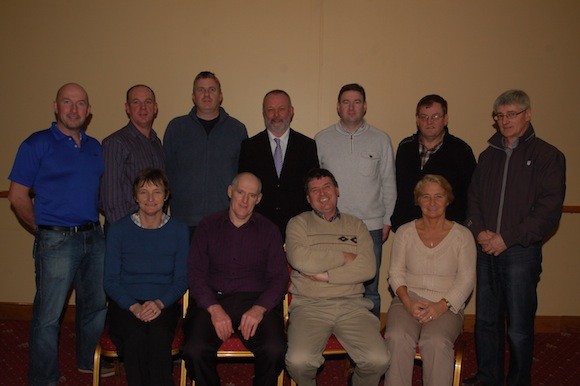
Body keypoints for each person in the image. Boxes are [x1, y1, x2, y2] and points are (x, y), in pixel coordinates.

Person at [7, 83, 110, 384]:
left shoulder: (95, 147)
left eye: (81, 103)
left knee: (94, 307)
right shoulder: (36, 143)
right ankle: (44, 378)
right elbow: (16, 196)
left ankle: (86, 361)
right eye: (67, 102)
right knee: (49, 316)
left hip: (94, 236)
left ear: (89, 110)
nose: (74, 109)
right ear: (56, 106)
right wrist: (41, 229)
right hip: (56, 241)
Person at [463, 90, 566, 386]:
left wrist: (506, 238)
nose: (505, 121)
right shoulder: (487, 156)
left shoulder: (548, 156)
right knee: (485, 322)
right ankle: (488, 377)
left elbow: (548, 211)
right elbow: (474, 201)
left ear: (528, 114)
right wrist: (480, 232)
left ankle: (519, 380)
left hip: (521, 252)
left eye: (512, 114)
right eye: (500, 115)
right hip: (485, 251)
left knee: (519, 327)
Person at [285, 168, 390, 386]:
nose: (322, 193)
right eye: (314, 190)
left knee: (378, 360)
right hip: (309, 306)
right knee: (298, 362)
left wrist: (326, 276)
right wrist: (345, 255)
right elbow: (301, 260)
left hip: (352, 306)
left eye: (327, 187)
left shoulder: (357, 225)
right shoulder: (298, 224)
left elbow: (368, 268)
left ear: (337, 190)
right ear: (308, 198)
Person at [182, 172, 289, 386]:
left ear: (258, 199)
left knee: (275, 348)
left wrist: (260, 309)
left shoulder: (270, 230)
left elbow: (279, 277)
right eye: (240, 192)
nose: (244, 200)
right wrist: (214, 309)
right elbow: (195, 274)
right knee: (195, 349)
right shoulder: (207, 226)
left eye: (252, 195)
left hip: (256, 301)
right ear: (230, 192)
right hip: (213, 301)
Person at [384, 174, 476, 386]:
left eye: (439, 196)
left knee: (435, 341)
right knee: (397, 336)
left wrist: (440, 306)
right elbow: (395, 273)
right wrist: (408, 303)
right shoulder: (405, 232)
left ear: (448, 199)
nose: (432, 203)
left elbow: (466, 280)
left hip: (447, 304)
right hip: (408, 299)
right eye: (426, 196)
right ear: (417, 200)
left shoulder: (463, 236)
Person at [315, 83, 396, 318]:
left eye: (357, 102)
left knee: (370, 290)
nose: (351, 107)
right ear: (338, 107)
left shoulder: (381, 139)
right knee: (334, 286)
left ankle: (369, 350)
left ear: (365, 106)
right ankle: (336, 338)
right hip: (332, 225)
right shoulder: (322, 139)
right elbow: (316, 185)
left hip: (370, 226)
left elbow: (388, 182)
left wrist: (387, 219)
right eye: (346, 102)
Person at [104, 168, 188, 386]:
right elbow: (110, 281)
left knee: (159, 338)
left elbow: (181, 279)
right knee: (135, 339)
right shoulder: (118, 230)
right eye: (143, 192)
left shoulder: (179, 231)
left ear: (166, 195)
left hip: (164, 304)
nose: (150, 198)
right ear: (135, 197)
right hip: (125, 305)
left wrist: (159, 303)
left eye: (157, 191)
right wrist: (134, 307)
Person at [164, 71, 248, 240]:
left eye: (212, 89)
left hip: (225, 220)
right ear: (193, 96)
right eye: (200, 90)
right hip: (183, 221)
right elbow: (165, 173)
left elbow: (243, 177)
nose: (206, 94)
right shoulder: (176, 128)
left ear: (220, 96)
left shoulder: (237, 129)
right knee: (187, 267)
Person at [238, 89, 319, 238]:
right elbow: (243, 189)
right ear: (263, 113)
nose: (276, 115)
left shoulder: (308, 146)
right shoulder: (249, 147)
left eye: (281, 109)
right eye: (270, 109)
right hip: (258, 228)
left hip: (299, 230)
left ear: (291, 111)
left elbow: (313, 189)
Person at [390, 94, 476, 232]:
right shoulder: (405, 148)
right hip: (408, 229)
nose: (429, 122)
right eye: (424, 117)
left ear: (445, 119)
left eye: (435, 116)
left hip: (447, 231)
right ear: (417, 120)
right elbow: (397, 188)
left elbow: (472, 194)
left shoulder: (461, 151)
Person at [100, 84, 165, 227]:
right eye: (136, 102)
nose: (143, 108)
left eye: (148, 102)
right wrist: (129, 234)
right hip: (126, 232)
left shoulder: (157, 143)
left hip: (155, 228)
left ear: (155, 108)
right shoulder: (115, 143)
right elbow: (111, 202)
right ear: (127, 108)